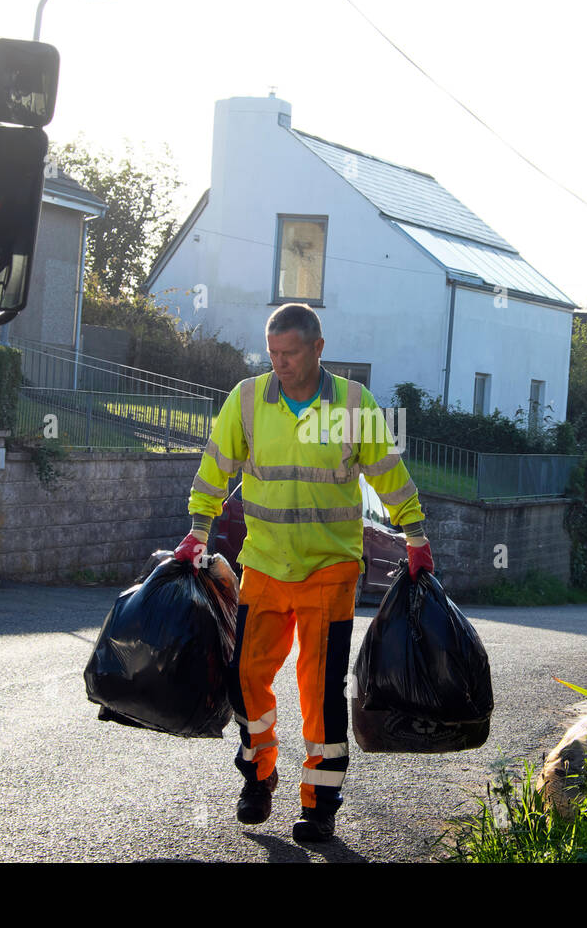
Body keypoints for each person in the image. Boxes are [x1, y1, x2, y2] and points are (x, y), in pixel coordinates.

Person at [173, 303, 433, 844]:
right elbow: (215, 466)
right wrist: (199, 531)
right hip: (265, 565)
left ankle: (319, 804)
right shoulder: (246, 401)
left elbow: (389, 472)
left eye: (290, 353)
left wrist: (415, 535)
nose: (280, 363)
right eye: (272, 353)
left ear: (318, 348)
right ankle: (259, 774)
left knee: (319, 692)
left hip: (329, 569)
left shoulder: (353, 405)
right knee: (245, 680)